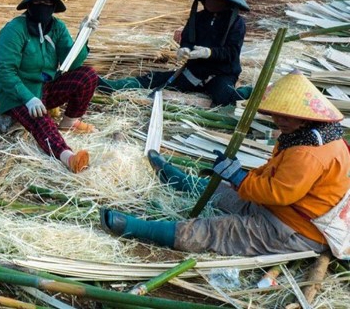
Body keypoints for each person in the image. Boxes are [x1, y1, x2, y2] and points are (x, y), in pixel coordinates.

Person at [101, 72, 350, 256]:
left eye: (284, 116)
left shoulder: (310, 152)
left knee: (217, 231)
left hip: (295, 229)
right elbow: (274, 171)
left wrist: (240, 178)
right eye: (275, 114)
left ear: (305, 117)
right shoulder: (307, 136)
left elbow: (279, 193)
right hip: (277, 208)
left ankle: (139, 228)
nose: (277, 121)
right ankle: (176, 178)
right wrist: (240, 179)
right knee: (220, 192)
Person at [0, 0, 100, 173]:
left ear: (54, 6)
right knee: (41, 121)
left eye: (48, 3)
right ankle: (68, 157)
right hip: (19, 94)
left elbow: (72, 62)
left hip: (47, 88)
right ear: (29, 4)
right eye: (38, 3)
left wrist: (83, 37)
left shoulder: (57, 28)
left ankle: (69, 123)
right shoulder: (14, 31)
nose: (43, 7)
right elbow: (4, 72)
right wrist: (28, 98)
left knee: (88, 75)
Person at [99, 0, 250, 108]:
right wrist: (184, 49)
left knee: (224, 97)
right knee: (157, 79)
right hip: (195, 73)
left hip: (220, 74)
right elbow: (187, 38)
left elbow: (232, 52)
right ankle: (116, 86)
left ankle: (249, 91)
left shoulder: (236, 23)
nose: (210, 2)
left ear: (226, 2)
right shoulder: (198, 18)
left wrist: (208, 53)